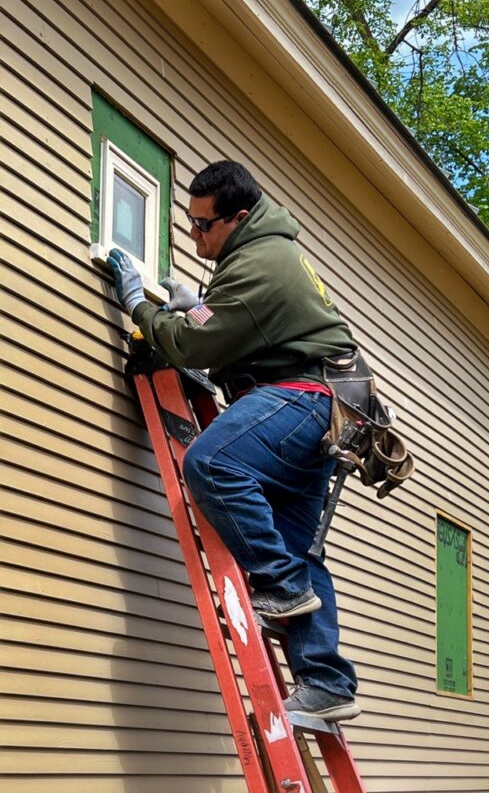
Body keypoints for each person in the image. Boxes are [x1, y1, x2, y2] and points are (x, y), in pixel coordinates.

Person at [108, 160, 360, 721]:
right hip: (319, 405)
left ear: (237, 217)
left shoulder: (259, 265)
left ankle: (280, 585)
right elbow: (241, 328)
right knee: (299, 548)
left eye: (204, 225)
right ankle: (327, 683)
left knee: (212, 463)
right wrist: (197, 306)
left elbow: (196, 349)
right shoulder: (257, 252)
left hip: (299, 396)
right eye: (190, 222)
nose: (194, 234)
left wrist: (139, 305)